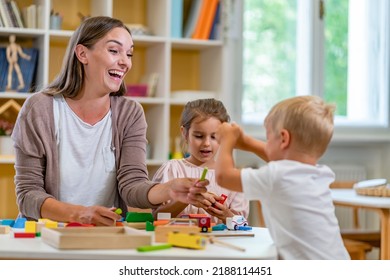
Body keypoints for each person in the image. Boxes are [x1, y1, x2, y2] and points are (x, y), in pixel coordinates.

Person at [12, 16, 208, 226]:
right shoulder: (40, 109)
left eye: (129, 53)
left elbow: (132, 186)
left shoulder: (130, 114)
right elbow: (28, 194)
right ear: (82, 54)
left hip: (104, 234)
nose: (125, 62)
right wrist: (78, 214)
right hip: (46, 236)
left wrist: (168, 189)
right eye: (114, 51)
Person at [215, 95, 350, 260]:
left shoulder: (275, 176)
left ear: (284, 138)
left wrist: (226, 141)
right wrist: (246, 142)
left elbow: (223, 176)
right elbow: (282, 159)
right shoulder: (320, 173)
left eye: (268, 137)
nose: (266, 141)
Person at [152, 99, 249, 224]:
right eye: (199, 136)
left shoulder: (232, 177)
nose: (207, 143)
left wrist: (226, 215)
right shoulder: (172, 169)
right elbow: (157, 216)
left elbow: (243, 224)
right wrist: (186, 198)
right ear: (185, 133)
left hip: (220, 242)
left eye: (214, 136)